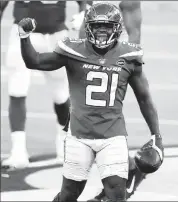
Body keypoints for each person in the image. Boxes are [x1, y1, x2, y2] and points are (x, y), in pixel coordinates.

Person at [18, 2, 164, 202]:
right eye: (96, 27)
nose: (102, 32)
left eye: (107, 27)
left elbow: (144, 97)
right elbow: (34, 61)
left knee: (116, 195)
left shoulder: (129, 56)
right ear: (88, 27)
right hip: (80, 133)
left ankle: (129, 176)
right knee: (69, 194)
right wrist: (24, 37)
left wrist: (157, 136)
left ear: (117, 29)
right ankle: (132, 174)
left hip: (112, 135)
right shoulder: (73, 50)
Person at [0, 0, 87, 169]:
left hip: (56, 36)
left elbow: (86, 3)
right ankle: (18, 151)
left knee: (61, 95)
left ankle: (64, 145)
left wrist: (82, 15)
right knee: (17, 90)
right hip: (23, 35)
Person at [81, 1, 147, 201]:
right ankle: (129, 170)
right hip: (86, 55)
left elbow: (134, 32)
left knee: (98, 122)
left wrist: (121, 63)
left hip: (113, 61)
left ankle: (115, 186)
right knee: (85, 123)